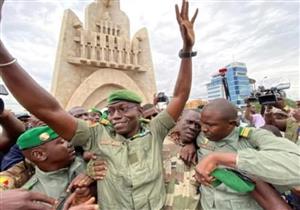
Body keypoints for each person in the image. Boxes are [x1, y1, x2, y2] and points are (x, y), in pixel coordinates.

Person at [0, 0, 198, 209]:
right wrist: (2, 54)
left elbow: (179, 96)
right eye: (111, 111)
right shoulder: (96, 135)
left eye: (123, 109)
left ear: (139, 111)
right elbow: (48, 110)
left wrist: (187, 50)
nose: (115, 116)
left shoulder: (155, 130)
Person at [194, 98, 300, 210]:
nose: (204, 129)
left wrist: (223, 158)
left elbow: (297, 165)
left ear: (232, 123)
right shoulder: (201, 136)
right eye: (202, 123)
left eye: (211, 125)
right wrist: (186, 145)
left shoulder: (253, 137)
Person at [162, 109, 201, 210]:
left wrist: (192, 143)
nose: (193, 127)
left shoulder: (201, 150)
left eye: (197, 125)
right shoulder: (160, 144)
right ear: (179, 120)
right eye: (189, 122)